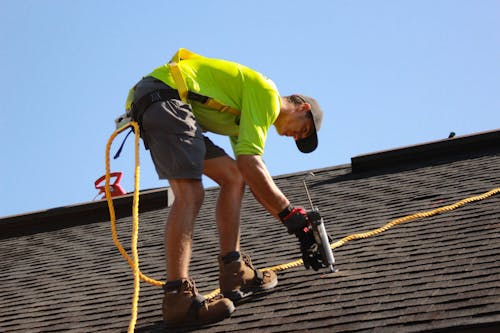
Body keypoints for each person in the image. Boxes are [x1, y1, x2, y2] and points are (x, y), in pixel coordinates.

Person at [125, 48, 324, 326]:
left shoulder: (244, 115)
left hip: (166, 104)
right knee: (190, 194)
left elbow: (249, 171)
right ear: (303, 108)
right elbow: (252, 163)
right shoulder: (266, 93)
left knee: (233, 177)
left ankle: (234, 270)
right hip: (164, 98)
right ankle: (178, 299)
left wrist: (291, 218)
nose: (295, 136)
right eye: (303, 129)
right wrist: (292, 216)